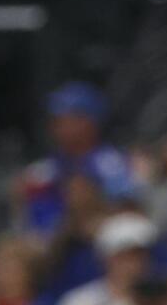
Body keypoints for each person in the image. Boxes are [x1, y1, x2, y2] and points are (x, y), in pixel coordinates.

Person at [14, 81, 133, 235]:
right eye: (56, 119)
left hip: (101, 240)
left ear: (88, 123)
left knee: (79, 189)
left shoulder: (108, 162)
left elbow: (127, 208)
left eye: (65, 119)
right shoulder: (52, 164)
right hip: (54, 242)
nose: (57, 126)